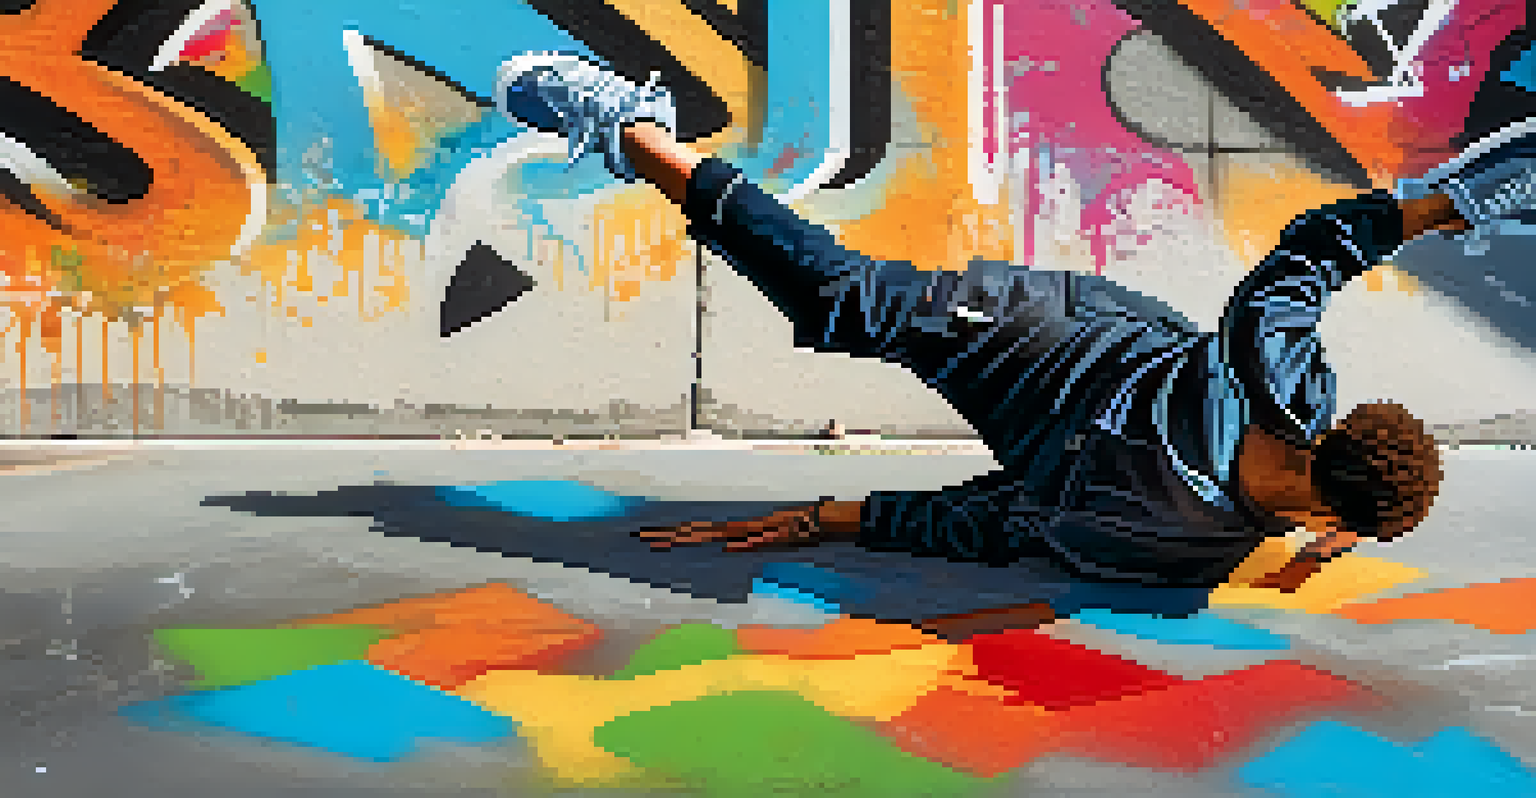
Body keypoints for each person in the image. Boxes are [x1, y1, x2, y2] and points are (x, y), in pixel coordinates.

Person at [492, 54, 1528, 639]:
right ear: (1322, 503)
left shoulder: (1196, 536)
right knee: (839, 299)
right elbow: (1310, 256)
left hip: (1052, 431)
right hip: (1042, 340)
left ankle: (641, 134)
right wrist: (1435, 206)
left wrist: (839, 515)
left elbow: (1006, 525)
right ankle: (629, 129)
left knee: (844, 312)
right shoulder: (1264, 407)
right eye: (1338, 530)